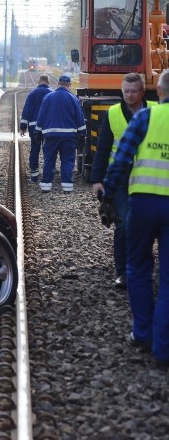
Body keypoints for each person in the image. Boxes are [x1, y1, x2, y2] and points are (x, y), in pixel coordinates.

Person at [101, 68, 169, 368]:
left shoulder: (146, 118)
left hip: (142, 201)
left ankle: (142, 333)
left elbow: (121, 159)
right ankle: (163, 349)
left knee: (139, 268)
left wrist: (107, 197)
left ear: (160, 92)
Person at [90, 73, 149, 288]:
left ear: (143, 91)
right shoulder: (113, 113)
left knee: (148, 225)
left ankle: (143, 267)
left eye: (134, 91)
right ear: (121, 91)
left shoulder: (155, 110)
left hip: (148, 175)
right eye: (126, 91)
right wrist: (97, 179)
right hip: (121, 175)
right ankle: (123, 272)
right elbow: (103, 147)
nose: (129, 95)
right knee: (123, 223)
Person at [34, 74, 86, 193]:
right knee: (67, 160)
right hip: (68, 136)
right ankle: (67, 187)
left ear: (58, 84)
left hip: (50, 135)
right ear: (70, 85)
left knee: (49, 160)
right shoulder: (73, 98)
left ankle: (46, 186)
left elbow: (41, 116)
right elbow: (79, 118)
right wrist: (83, 133)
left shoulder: (48, 97)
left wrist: (37, 131)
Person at [19, 74, 53, 183]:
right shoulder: (52, 93)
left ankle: (34, 176)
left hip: (34, 126)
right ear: (48, 82)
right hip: (48, 127)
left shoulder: (32, 93)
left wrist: (23, 126)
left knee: (35, 149)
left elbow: (26, 110)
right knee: (48, 151)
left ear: (38, 81)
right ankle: (48, 176)